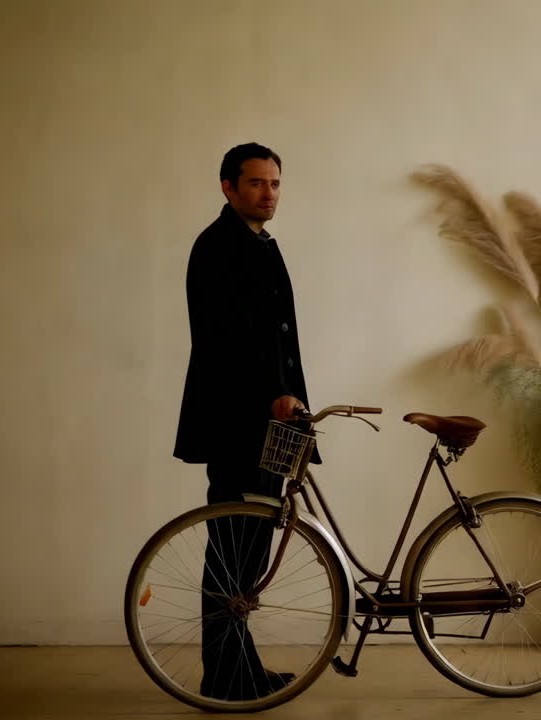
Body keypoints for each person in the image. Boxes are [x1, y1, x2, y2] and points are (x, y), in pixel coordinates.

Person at [173, 142, 312, 700]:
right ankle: (226, 677)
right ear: (228, 187)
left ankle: (239, 669)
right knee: (233, 550)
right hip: (239, 423)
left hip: (268, 421)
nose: (268, 193)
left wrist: (289, 396)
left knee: (249, 552)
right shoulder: (218, 248)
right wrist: (275, 395)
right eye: (256, 183)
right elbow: (224, 343)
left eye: (275, 183)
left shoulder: (258, 243)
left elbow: (276, 338)